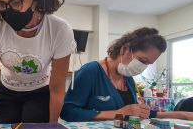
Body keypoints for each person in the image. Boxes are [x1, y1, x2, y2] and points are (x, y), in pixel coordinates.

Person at [60, 27, 193, 122]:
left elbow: (133, 113)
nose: (141, 67)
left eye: (147, 64)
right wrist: (118, 113)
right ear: (125, 49)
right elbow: (68, 112)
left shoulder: (128, 79)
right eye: (142, 60)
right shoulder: (91, 72)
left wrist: (183, 115)